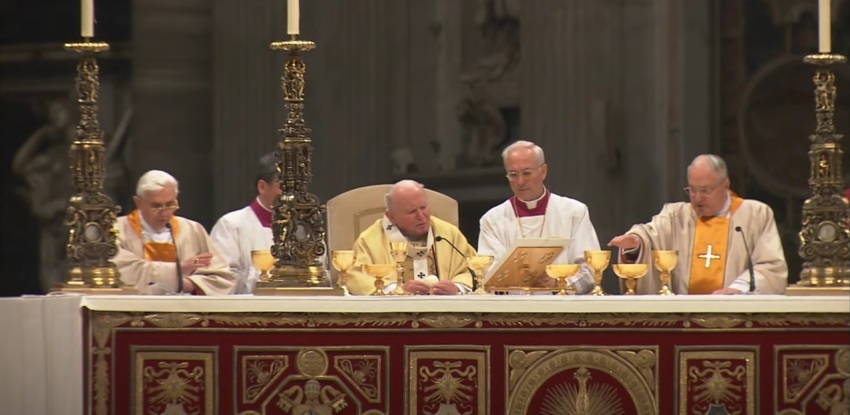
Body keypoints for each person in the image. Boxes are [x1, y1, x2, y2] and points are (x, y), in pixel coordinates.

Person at [608, 154, 788, 295]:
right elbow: (649, 234)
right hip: (684, 317)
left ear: (725, 185)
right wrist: (635, 243)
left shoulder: (755, 214)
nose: (697, 198)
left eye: (705, 190)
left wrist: (738, 289)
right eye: (692, 190)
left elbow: (771, 267)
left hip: (734, 316)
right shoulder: (676, 216)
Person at [478, 140, 600, 294]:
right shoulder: (492, 220)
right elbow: (489, 277)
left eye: (527, 173)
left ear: (543, 171)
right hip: (512, 312)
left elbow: (590, 270)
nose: (520, 182)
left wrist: (558, 283)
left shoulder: (574, 213)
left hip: (563, 310)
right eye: (513, 175)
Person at [113, 170, 236, 295]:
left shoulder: (192, 230)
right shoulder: (116, 230)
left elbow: (223, 278)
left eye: (170, 204)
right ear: (138, 202)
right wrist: (178, 270)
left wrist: (188, 284)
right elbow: (123, 272)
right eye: (156, 206)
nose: (164, 212)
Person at [346, 180, 476, 295]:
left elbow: (470, 270)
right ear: (391, 216)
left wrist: (457, 287)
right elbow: (356, 277)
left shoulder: (448, 234)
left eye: (423, 207)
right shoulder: (370, 241)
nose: (421, 216)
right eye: (411, 212)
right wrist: (397, 289)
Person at [210, 153, 280, 294]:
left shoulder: (305, 229)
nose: (293, 194)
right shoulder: (231, 225)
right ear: (262, 186)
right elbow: (222, 281)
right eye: (284, 186)